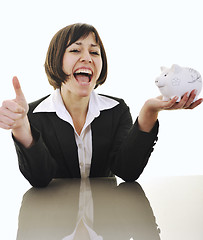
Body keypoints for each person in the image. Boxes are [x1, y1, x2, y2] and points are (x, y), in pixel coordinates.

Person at [0, 23, 202, 187]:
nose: (87, 58)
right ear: (56, 61)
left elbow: (127, 172)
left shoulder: (116, 110)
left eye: (95, 53)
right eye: (75, 50)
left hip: (106, 222)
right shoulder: (33, 115)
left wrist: (149, 111)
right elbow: (40, 179)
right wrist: (21, 127)